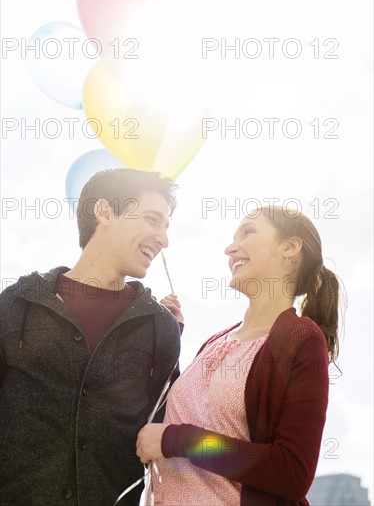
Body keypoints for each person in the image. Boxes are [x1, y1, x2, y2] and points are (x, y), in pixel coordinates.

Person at [136, 205, 343, 506]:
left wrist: (179, 440)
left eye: (248, 232)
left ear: (290, 247)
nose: (230, 248)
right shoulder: (215, 340)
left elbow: (291, 472)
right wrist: (170, 336)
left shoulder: (301, 338)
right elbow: (169, 419)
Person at [0, 169, 183, 506]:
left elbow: (165, 434)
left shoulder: (162, 329)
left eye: (166, 226)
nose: (163, 238)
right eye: (151, 219)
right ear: (105, 211)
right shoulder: (16, 304)